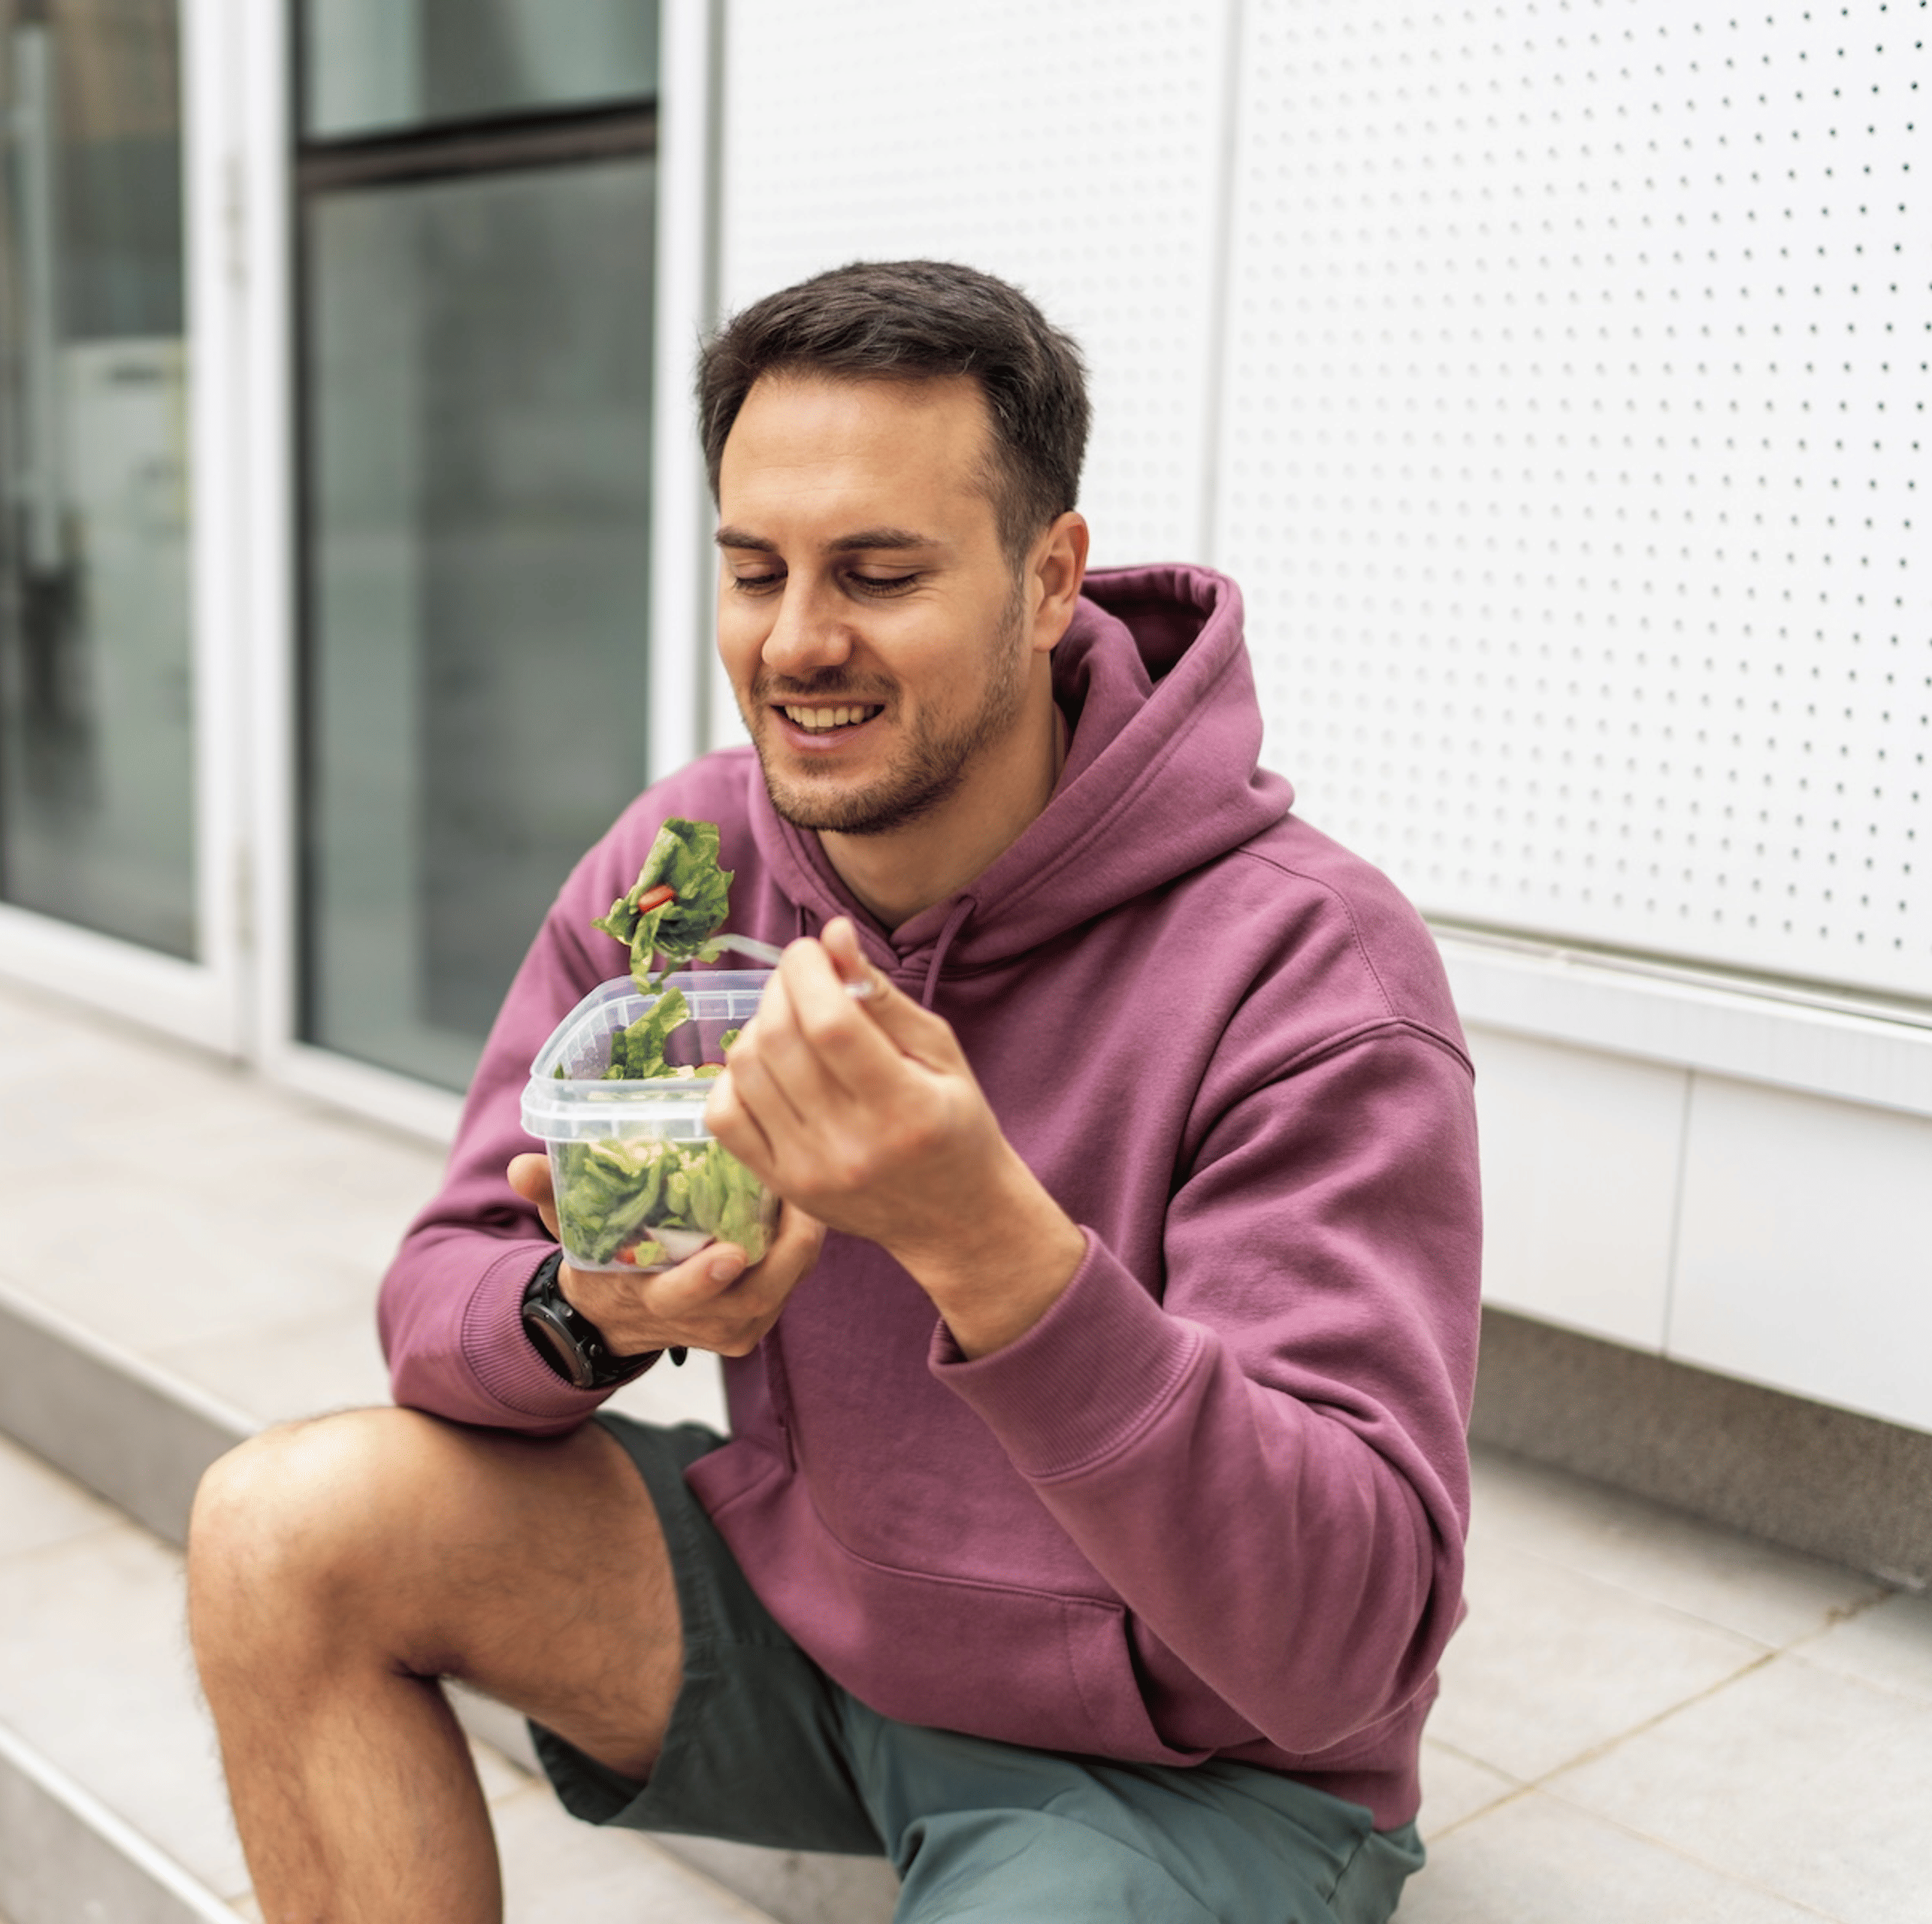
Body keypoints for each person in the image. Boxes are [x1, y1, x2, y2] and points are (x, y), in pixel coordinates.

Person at [187, 259, 1479, 1922]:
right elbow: (436, 1292)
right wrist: (591, 1310)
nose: (798, 642)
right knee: (280, 1523)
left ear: (1045, 577)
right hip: (821, 1628)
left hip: (1188, 1758)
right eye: (755, 569)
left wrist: (992, 1243)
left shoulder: (1309, 969)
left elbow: (1344, 1639)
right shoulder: (683, 869)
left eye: (878, 572)